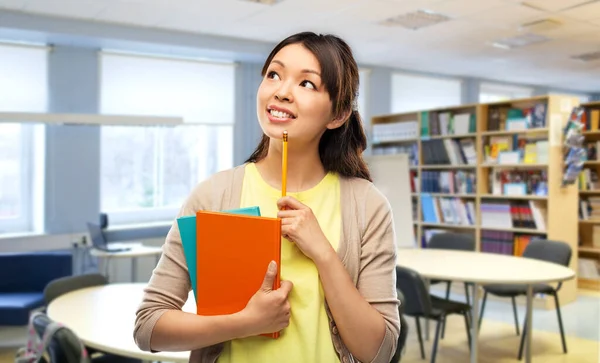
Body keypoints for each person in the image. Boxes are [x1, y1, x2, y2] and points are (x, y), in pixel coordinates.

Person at [133, 31, 400, 363]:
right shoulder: (214, 195)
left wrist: (323, 253)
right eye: (274, 74)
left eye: (307, 84)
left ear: (339, 114)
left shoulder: (367, 205)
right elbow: (148, 327)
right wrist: (245, 322)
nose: (282, 92)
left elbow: (379, 351)